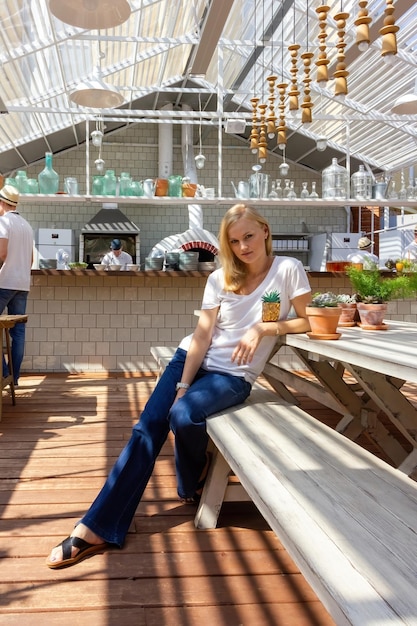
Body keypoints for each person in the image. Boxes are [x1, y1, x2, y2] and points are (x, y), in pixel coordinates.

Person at [46, 203, 311, 569]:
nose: (243, 246)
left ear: (265, 231)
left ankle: (191, 478)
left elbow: (307, 321)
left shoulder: (288, 269)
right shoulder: (220, 278)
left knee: (184, 416)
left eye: (249, 236)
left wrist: (265, 327)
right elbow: (202, 335)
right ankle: (96, 526)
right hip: (189, 359)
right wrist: (184, 382)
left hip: (233, 376)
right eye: (234, 241)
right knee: (147, 428)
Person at [0, 184, 33, 386]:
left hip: (4, 283)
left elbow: (1, 254)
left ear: (1, 203)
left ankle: (4, 374)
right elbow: (30, 261)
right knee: (18, 333)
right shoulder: (27, 225)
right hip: (22, 284)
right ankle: (15, 378)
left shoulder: (3, 222)